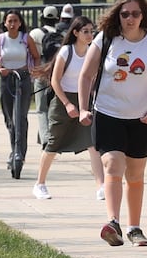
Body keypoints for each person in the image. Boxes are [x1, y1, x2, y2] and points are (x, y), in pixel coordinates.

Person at [78, 0, 147, 247]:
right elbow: (86, 76)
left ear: (144, 15)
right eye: (125, 14)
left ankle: (135, 228)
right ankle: (113, 223)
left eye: (135, 13)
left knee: (135, 173)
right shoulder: (106, 39)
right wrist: (83, 108)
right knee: (112, 165)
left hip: (142, 116)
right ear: (117, 16)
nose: (130, 18)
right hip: (108, 112)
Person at [32, 16, 104, 200]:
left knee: (92, 144)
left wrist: (87, 104)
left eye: (91, 31)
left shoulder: (92, 52)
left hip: (84, 101)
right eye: (85, 31)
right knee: (53, 144)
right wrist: (68, 104)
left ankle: (101, 186)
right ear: (76, 33)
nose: (90, 35)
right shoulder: (66, 51)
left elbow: (93, 80)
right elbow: (55, 81)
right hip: (63, 101)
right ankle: (40, 184)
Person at [0, 9, 40, 170]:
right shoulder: (0, 39)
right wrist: (0, 69)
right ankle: (14, 150)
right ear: (5, 23)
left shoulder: (26, 39)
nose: (12, 24)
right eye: (9, 21)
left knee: (20, 117)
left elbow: (36, 57)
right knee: (10, 119)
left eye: (15, 21)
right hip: (6, 79)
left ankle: (19, 153)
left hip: (22, 79)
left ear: (20, 23)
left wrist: (31, 70)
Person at [29, 6, 60, 147]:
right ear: (57, 19)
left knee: (41, 108)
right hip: (56, 72)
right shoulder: (61, 34)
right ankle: (43, 135)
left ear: (42, 18)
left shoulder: (35, 33)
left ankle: (46, 137)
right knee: (52, 105)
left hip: (41, 70)